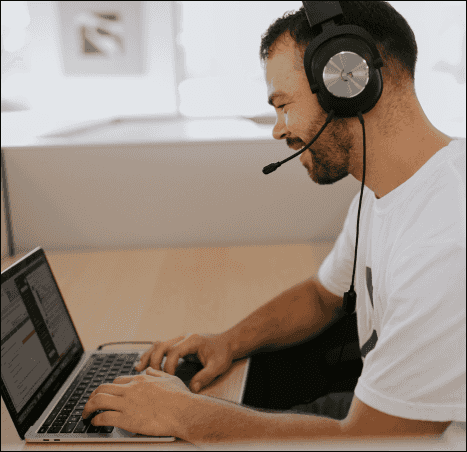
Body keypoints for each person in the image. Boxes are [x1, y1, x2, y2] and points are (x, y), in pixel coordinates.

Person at [82, 2, 465, 447]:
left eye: (284, 105)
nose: (278, 130)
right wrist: (228, 341)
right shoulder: (390, 190)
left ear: (351, 83)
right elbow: (323, 296)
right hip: (379, 414)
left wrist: (186, 415)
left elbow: (370, 439)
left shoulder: (446, 240)